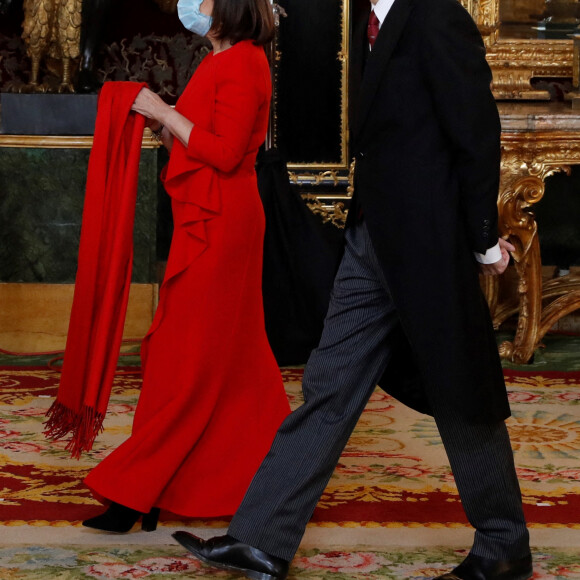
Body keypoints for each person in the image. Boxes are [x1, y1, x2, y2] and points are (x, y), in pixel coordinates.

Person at [171, 0, 534, 578]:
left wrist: (484, 238)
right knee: (330, 384)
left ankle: (503, 543)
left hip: (428, 244)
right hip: (372, 239)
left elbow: (475, 130)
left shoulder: (437, 16)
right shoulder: (371, 20)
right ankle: (261, 539)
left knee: (460, 391)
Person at [81, 0, 290, 533]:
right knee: (210, 357)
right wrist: (167, 129)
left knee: (193, 360)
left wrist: (161, 111)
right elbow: (205, 141)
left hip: (223, 225)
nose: (192, 5)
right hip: (210, 219)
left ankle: (141, 490)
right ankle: (259, 484)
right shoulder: (220, 60)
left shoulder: (244, 60)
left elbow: (223, 154)